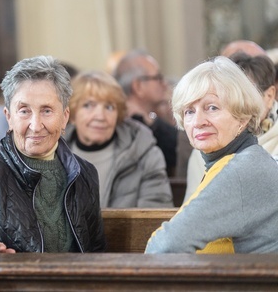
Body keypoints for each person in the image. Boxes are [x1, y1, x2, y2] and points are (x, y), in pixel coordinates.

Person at [0, 55, 107, 253]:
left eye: (46, 111)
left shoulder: (85, 173)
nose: (35, 126)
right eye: (24, 111)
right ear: (8, 117)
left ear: (65, 117)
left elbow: (96, 254)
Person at [145, 56, 278, 253]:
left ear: (242, 117)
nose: (198, 121)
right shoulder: (239, 160)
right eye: (189, 111)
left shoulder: (242, 171)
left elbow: (164, 245)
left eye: (212, 108)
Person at [64, 70, 173, 208]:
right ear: (72, 114)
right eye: (88, 105)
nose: (100, 116)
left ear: (118, 115)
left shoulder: (146, 155)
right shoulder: (55, 156)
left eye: (109, 107)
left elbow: (154, 216)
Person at [184, 52, 278, 201]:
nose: (198, 121)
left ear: (270, 96)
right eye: (189, 111)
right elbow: (191, 207)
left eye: (248, 94)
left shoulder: (257, 160)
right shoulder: (206, 142)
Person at [113, 49, 178, 177]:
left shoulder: (152, 121)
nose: (164, 84)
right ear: (138, 86)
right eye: (158, 78)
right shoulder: (121, 128)